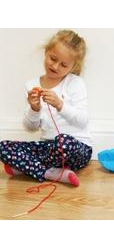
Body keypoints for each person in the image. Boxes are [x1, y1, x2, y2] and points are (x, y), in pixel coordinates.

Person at [0, 30, 92, 186]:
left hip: (75, 148)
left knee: (63, 142)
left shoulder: (75, 83)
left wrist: (60, 105)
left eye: (63, 65)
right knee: (3, 147)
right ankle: (51, 172)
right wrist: (34, 109)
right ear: (46, 52)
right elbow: (30, 127)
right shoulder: (31, 84)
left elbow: (83, 121)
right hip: (47, 147)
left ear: (72, 67)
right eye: (53, 58)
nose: (55, 66)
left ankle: (28, 167)